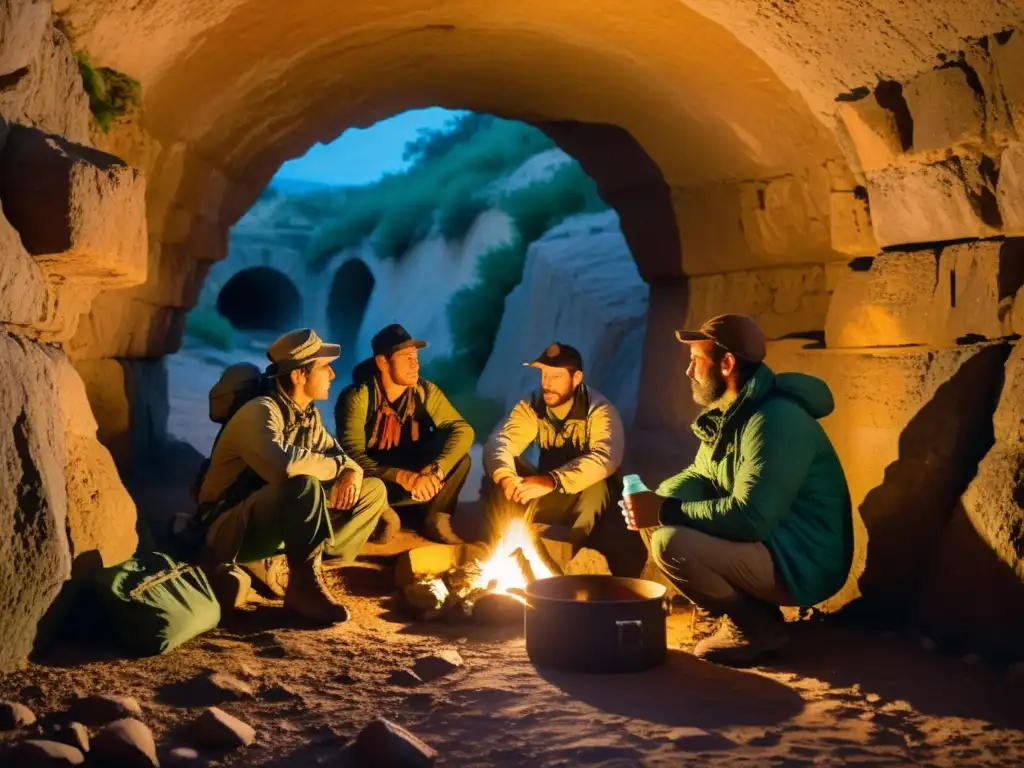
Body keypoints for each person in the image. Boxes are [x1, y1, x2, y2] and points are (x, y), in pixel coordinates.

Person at [622, 314, 853, 666]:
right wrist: (656, 501)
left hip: (802, 559)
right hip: (773, 542)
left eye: (696, 361)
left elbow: (751, 518)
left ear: (726, 363)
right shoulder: (733, 413)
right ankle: (727, 611)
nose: (689, 372)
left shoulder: (774, 421)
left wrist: (665, 509)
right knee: (655, 511)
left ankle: (756, 627)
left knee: (670, 543)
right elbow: (702, 473)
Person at [197, 328, 388, 624]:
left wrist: (348, 472)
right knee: (303, 484)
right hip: (229, 529)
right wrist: (337, 468)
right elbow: (283, 466)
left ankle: (302, 566)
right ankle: (301, 588)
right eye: (325, 368)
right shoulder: (260, 411)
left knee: (373, 490)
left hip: (271, 521)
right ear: (300, 375)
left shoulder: (307, 416)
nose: (333, 376)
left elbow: (347, 461)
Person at [469, 342, 646, 576]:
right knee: (496, 475)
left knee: (597, 486)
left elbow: (605, 457)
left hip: (590, 502)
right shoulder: (533, 404)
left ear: (576, 378)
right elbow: (501, 442)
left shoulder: (599, 410)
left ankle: (568, 556)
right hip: (546, 494)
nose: (547, 383)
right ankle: (500, 547)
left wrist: (552, 480)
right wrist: (506, 477)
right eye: (544, 374)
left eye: (556, 376)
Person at [335, 324, 474, 544]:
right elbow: (352, 454)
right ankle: (381, 514)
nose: (415, 363)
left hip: (419, 481)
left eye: (415, 356)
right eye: (406, 357)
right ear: (383, 362)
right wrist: (403, 477)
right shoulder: (358, 397)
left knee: (461, 458)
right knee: (355, 476)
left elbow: (462, 429)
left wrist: (435, 471)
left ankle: (436, 518)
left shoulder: (424, 391)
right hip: (379, 480)